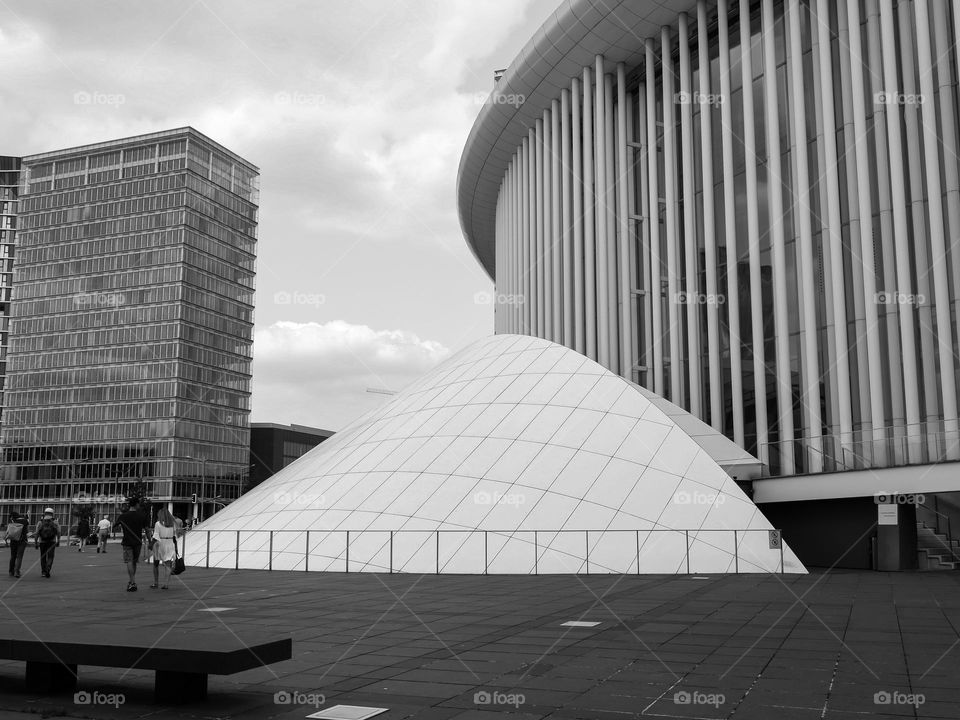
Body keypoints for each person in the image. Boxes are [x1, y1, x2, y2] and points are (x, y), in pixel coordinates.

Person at [115, 498, 151, 592]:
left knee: (129, 561)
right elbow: (147, 529)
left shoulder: (123, 516)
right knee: (134, 561)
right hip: (138, 542)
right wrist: (150, 541)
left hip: (127, 541)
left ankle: (132, 582)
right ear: (136, 505)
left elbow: (115, 526)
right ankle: (132, 581)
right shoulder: (142, 516)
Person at [150, 508, 177, 589]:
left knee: (156, 564)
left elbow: (155, 536)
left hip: (160, 543)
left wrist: (151, 544)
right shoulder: (173, 523)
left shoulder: (158, 524)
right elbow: (175, 535)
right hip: (170, 543)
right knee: (168, 565)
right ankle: (166, 584)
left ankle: (156, 582)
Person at [34, 508, 60, 578]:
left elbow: (36, 533)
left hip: (42, 542)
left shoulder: (40, 522)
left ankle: (43, 572)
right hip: (52, 541)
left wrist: (36, 542)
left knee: (43, 557)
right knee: (50, 556)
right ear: (52, 513)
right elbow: (58, 532)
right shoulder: (55, 522)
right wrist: (58, 540)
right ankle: (48, 568)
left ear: (45, 513)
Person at [5, 512, 27, 578]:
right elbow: (27, 531)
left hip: (13, 541)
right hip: (22, 541)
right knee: (19, 557)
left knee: (13, 556)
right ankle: (17, 572)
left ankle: (11, 571)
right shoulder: (25, 521)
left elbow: (8, 532)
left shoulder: (13, 521)